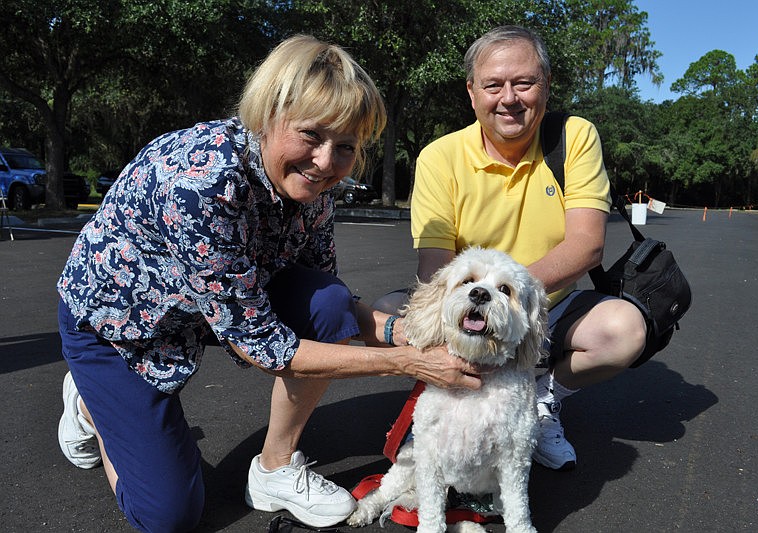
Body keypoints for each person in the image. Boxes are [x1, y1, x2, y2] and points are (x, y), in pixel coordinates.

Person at [56, 35, 485, 533]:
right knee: (168, 515)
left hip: (217, 304)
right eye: (311, 135)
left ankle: (274, 469)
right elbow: (266, 348)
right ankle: (91, 404)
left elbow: (326, 298)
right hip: (121, 326)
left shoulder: (314, 185)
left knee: (328, 303)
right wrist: (409, 361)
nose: (324, 162)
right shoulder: (201, 182)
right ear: (268, 114)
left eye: (345, 147)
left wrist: (402, 331)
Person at [377, 26, 647, 471]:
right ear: (471, 92)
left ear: (546, 85)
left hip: (546, 305)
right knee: (386, 314)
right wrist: (468, 318)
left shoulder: (574, 137)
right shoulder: (439, 157)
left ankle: (544, 399)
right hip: (469, 302)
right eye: (493, 85)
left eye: (524, 83)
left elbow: (586, 246)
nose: (509, 98)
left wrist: (507, 300)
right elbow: (435, 268)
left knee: (625, 329)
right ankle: (453, 394)